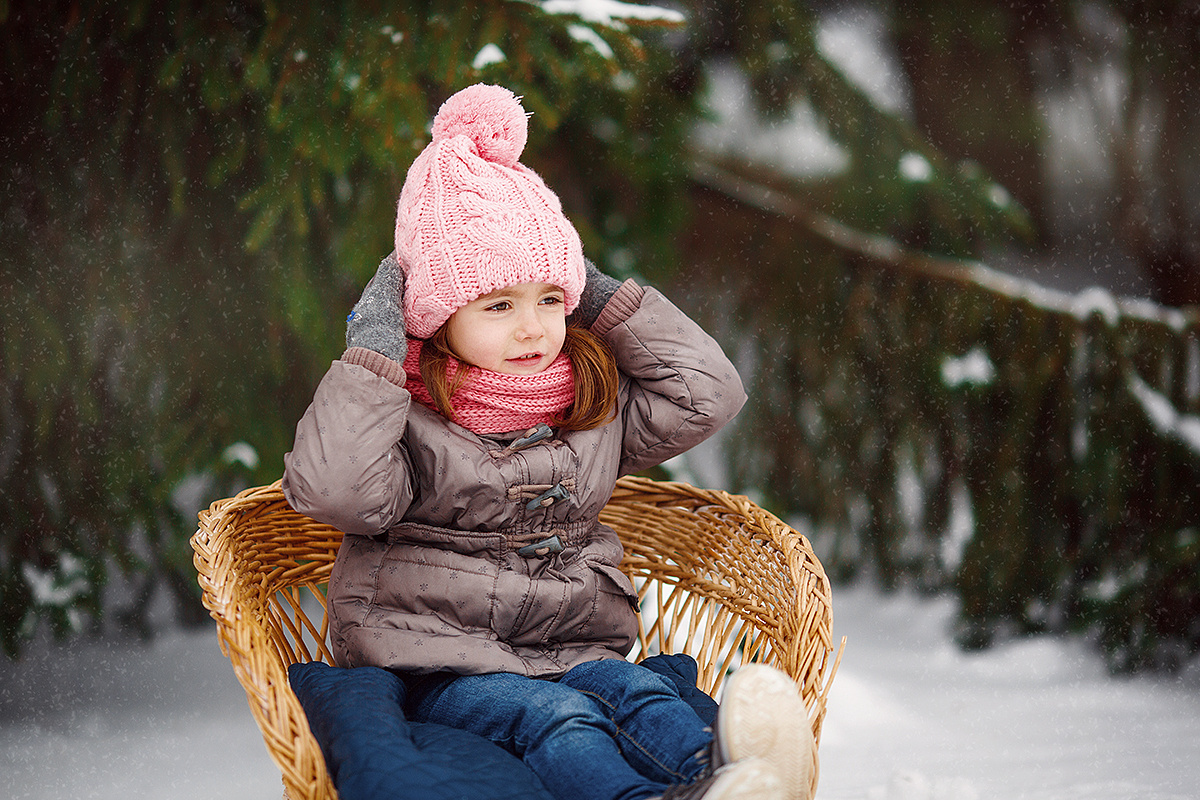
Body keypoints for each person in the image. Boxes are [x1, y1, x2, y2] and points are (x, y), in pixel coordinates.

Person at [283, 83, 816, 800]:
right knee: (559, 718)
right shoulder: (405, 416)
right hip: (441, 667)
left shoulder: (589, 404)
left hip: (576, 647)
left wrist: (594, 291)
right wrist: (374, 354)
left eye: (550, 300)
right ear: (437, 320)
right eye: (498, 306)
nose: (532, 328)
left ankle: (731, 776)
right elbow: (335, 489)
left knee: (641, 697)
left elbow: (708, 392)